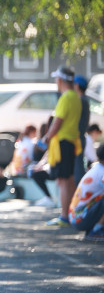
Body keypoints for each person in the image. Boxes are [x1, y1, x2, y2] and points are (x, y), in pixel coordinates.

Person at [42, 66, 82, 227]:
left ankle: (65, 216)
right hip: (71, 142)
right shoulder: (76, 97)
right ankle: (69, 214)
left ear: (60, 80)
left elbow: (57, 122)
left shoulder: (66, 97)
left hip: (62, 143)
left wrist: (46, 137)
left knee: (63, 180)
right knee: (69, 180)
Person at [69, 144, 104, 242]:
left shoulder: (96, 167)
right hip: (81, 218)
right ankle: (97, 230)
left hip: (76, 216)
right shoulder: (102, 171)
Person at [73, 74, 90, 184]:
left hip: (78, 138)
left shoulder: (81, 100)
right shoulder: (83, 100)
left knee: (78, 167)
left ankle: (80, 189)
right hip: (79, 137)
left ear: (77, 85)